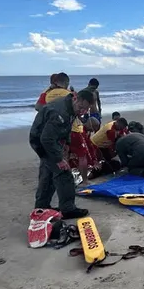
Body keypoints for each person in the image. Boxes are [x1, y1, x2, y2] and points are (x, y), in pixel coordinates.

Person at [29, 89, 94, 218]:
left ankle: (41, 208)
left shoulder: (70, 105)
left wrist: (67, 144)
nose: (82, 112)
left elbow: (67, 126)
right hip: (43, 141)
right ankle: (68, 209)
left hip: (50, 138)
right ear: (76, 98)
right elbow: (46, 139)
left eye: (85, 109)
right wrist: (59, 159)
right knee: (64, 174)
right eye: (81, 107)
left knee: (47, 174)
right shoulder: (60, 112)